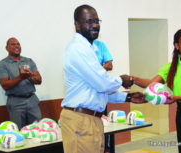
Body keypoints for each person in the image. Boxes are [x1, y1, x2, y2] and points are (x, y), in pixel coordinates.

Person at [60, 5, 147, 153]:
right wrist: (122, 80)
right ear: (77, 25)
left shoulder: (91, 49)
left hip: (91, 120)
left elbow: (97, 91)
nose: (94, 25)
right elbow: (103, 84)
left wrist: (128, 97)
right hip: (81, 120)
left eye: (97, 21)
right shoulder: (78, 49)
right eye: (89, 22)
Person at [0, 37, 42, 130]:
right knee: (18, 131)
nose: (17, 46)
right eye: (13, 44)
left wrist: (29, 76)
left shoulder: (29, 61)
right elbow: (5, 85)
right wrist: (20, 77)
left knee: (37, 130)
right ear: (7, 48)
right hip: (16, 102)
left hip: (32, 100)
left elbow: (39, 80)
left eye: (18, 44)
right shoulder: (2, 64)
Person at [94, 39, 113, 152]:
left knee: (103, 123)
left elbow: (109, 65)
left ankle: (106, 148)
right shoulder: (77, 47)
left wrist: (94, 70)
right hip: (86, 98)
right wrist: (101, 67)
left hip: (101, 92)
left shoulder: (100, 45)